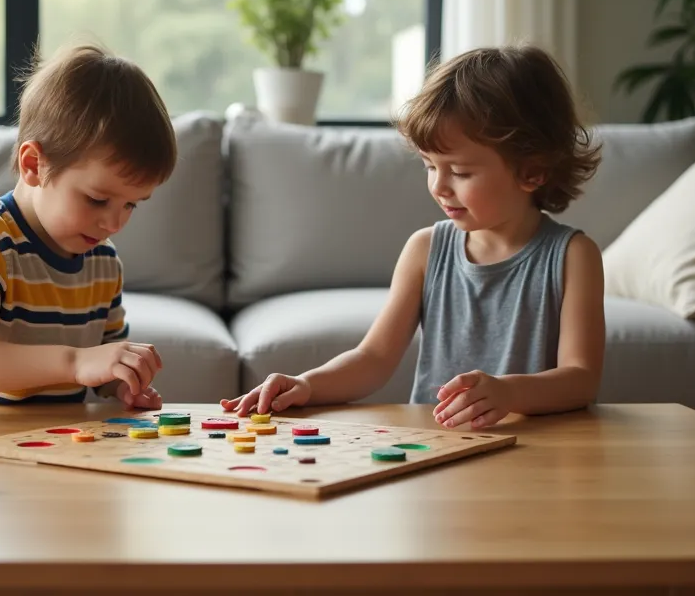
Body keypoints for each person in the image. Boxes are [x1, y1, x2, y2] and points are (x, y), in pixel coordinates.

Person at [221, 45, 606, 430]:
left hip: (536, 449)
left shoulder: (573, 256)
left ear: (533, 171)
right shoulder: (425, 250)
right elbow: (373, 358)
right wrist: (306, 384)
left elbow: (580, 378)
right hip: (437, 447)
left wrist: (509, 394)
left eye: (460, 171)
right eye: (429, 167)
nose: (439, 186)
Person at [0, 43, 174, 409]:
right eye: (97, 199)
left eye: (131, 204)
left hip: (43, 444)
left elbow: (99, 361)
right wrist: (76, 362)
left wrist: (121, 382)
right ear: (34, 165)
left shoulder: (102, 261)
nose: (114, 223)